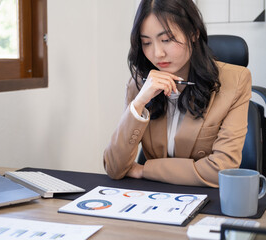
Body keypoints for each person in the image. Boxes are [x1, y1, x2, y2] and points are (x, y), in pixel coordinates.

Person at [103, 0, 252, 188]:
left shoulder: (236, 80)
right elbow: (115, 169)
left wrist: (144, 170)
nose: (157, 53)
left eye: (166, 40)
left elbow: (222, 170)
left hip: (207, 199)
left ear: (193, 33)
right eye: (146, 42)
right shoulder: (140, 84)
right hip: (153, 199)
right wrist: (139, 102)